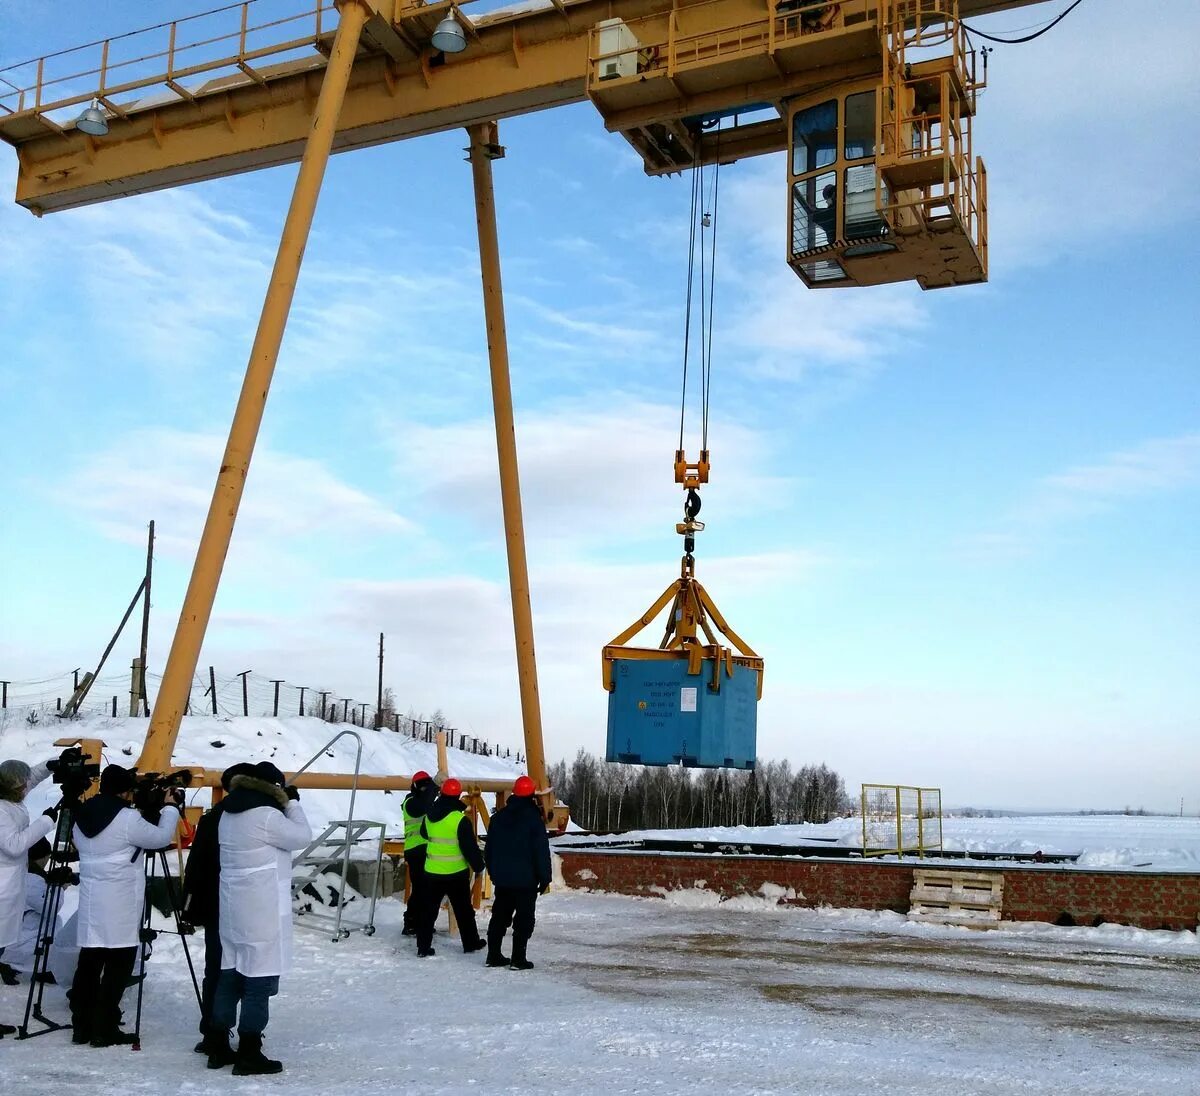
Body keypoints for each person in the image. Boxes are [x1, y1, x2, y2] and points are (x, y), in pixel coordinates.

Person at [208, 762, 311, 1075]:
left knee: (229, 975)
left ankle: (217, 1045)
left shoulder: (227, 814)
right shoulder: (266, 816)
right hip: (262, 911)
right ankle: (249, 1051)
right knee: (258, 982)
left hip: (233, 910)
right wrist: (291, 803)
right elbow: (302, 836)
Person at [70, 764, 181, 1047]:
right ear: (123, 790)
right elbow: (159, 839)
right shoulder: (127, 818)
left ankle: (81, 1026)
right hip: (120, 900)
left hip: (92, 899)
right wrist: (169, 809)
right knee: (118, 967)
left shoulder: (82, 814)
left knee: (89, 963)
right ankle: (104, 1028)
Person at [181, 761, 256, 1057]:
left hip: (214, 905)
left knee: (215, 969)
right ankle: (248, 1033)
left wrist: (190, 906)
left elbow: (196, 863)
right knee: (251, 970)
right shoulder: (255, 819)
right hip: (245, 906)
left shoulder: (214, 818)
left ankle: (213, 1031)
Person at [0, 757, 55, 1033]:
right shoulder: (1, 811)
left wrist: (51, 765)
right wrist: (47, 821)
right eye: (23, 786)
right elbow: (14, 845)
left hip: (9, 886)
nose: (26, 789)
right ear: (14, 789)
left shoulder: (8, 796)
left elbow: (28, 777)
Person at [484, 775, 552, 971]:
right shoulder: (533, 820)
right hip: (526, 881)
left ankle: (493, 955)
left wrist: (493, 872)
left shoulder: (498, 818)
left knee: (499, 916)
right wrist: (545, 878)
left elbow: (489, 850)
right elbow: (540, 851)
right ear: (531, 795)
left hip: (503, 879)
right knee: (523, 919)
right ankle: (518, 959)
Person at [416, 778, 485, 958]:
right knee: (464, 911)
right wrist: (479, 866)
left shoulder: (430, 816)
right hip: (455, 874)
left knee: (428, 911)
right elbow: (470, 848)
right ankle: (471, 943)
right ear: (457, 796)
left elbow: (424, 834)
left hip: (432, 872)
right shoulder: (459, 819)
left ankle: (423, 947)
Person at [400, 770, 437, 937]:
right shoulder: (410, 802)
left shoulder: (427, 800)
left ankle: (421, 921)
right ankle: (411, 922)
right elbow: (422, 805)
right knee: (421, 888)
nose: (425, 789)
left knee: (426, 889)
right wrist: (435, 786)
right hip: (416, 851)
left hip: (427, 850)